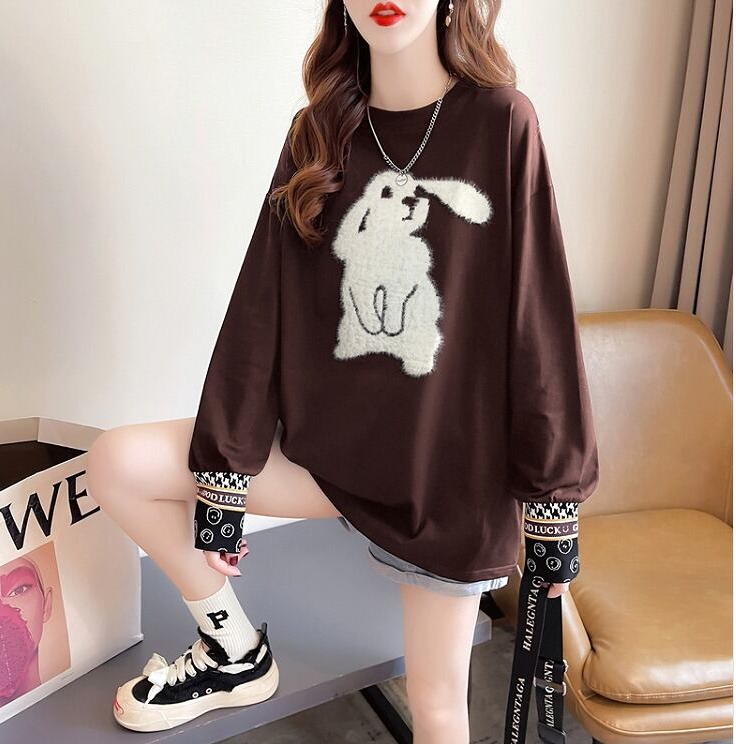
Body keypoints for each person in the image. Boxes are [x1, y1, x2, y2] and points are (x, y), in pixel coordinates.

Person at [86, 0, 599, 740]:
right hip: (328, 459)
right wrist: (225, 476)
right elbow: (260, 306)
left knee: (437, 707)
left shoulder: (501, 123)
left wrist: (552, 503)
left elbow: (538, 319)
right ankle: (234, 653)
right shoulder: (317, 134)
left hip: (441, 482)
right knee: (116, 463)